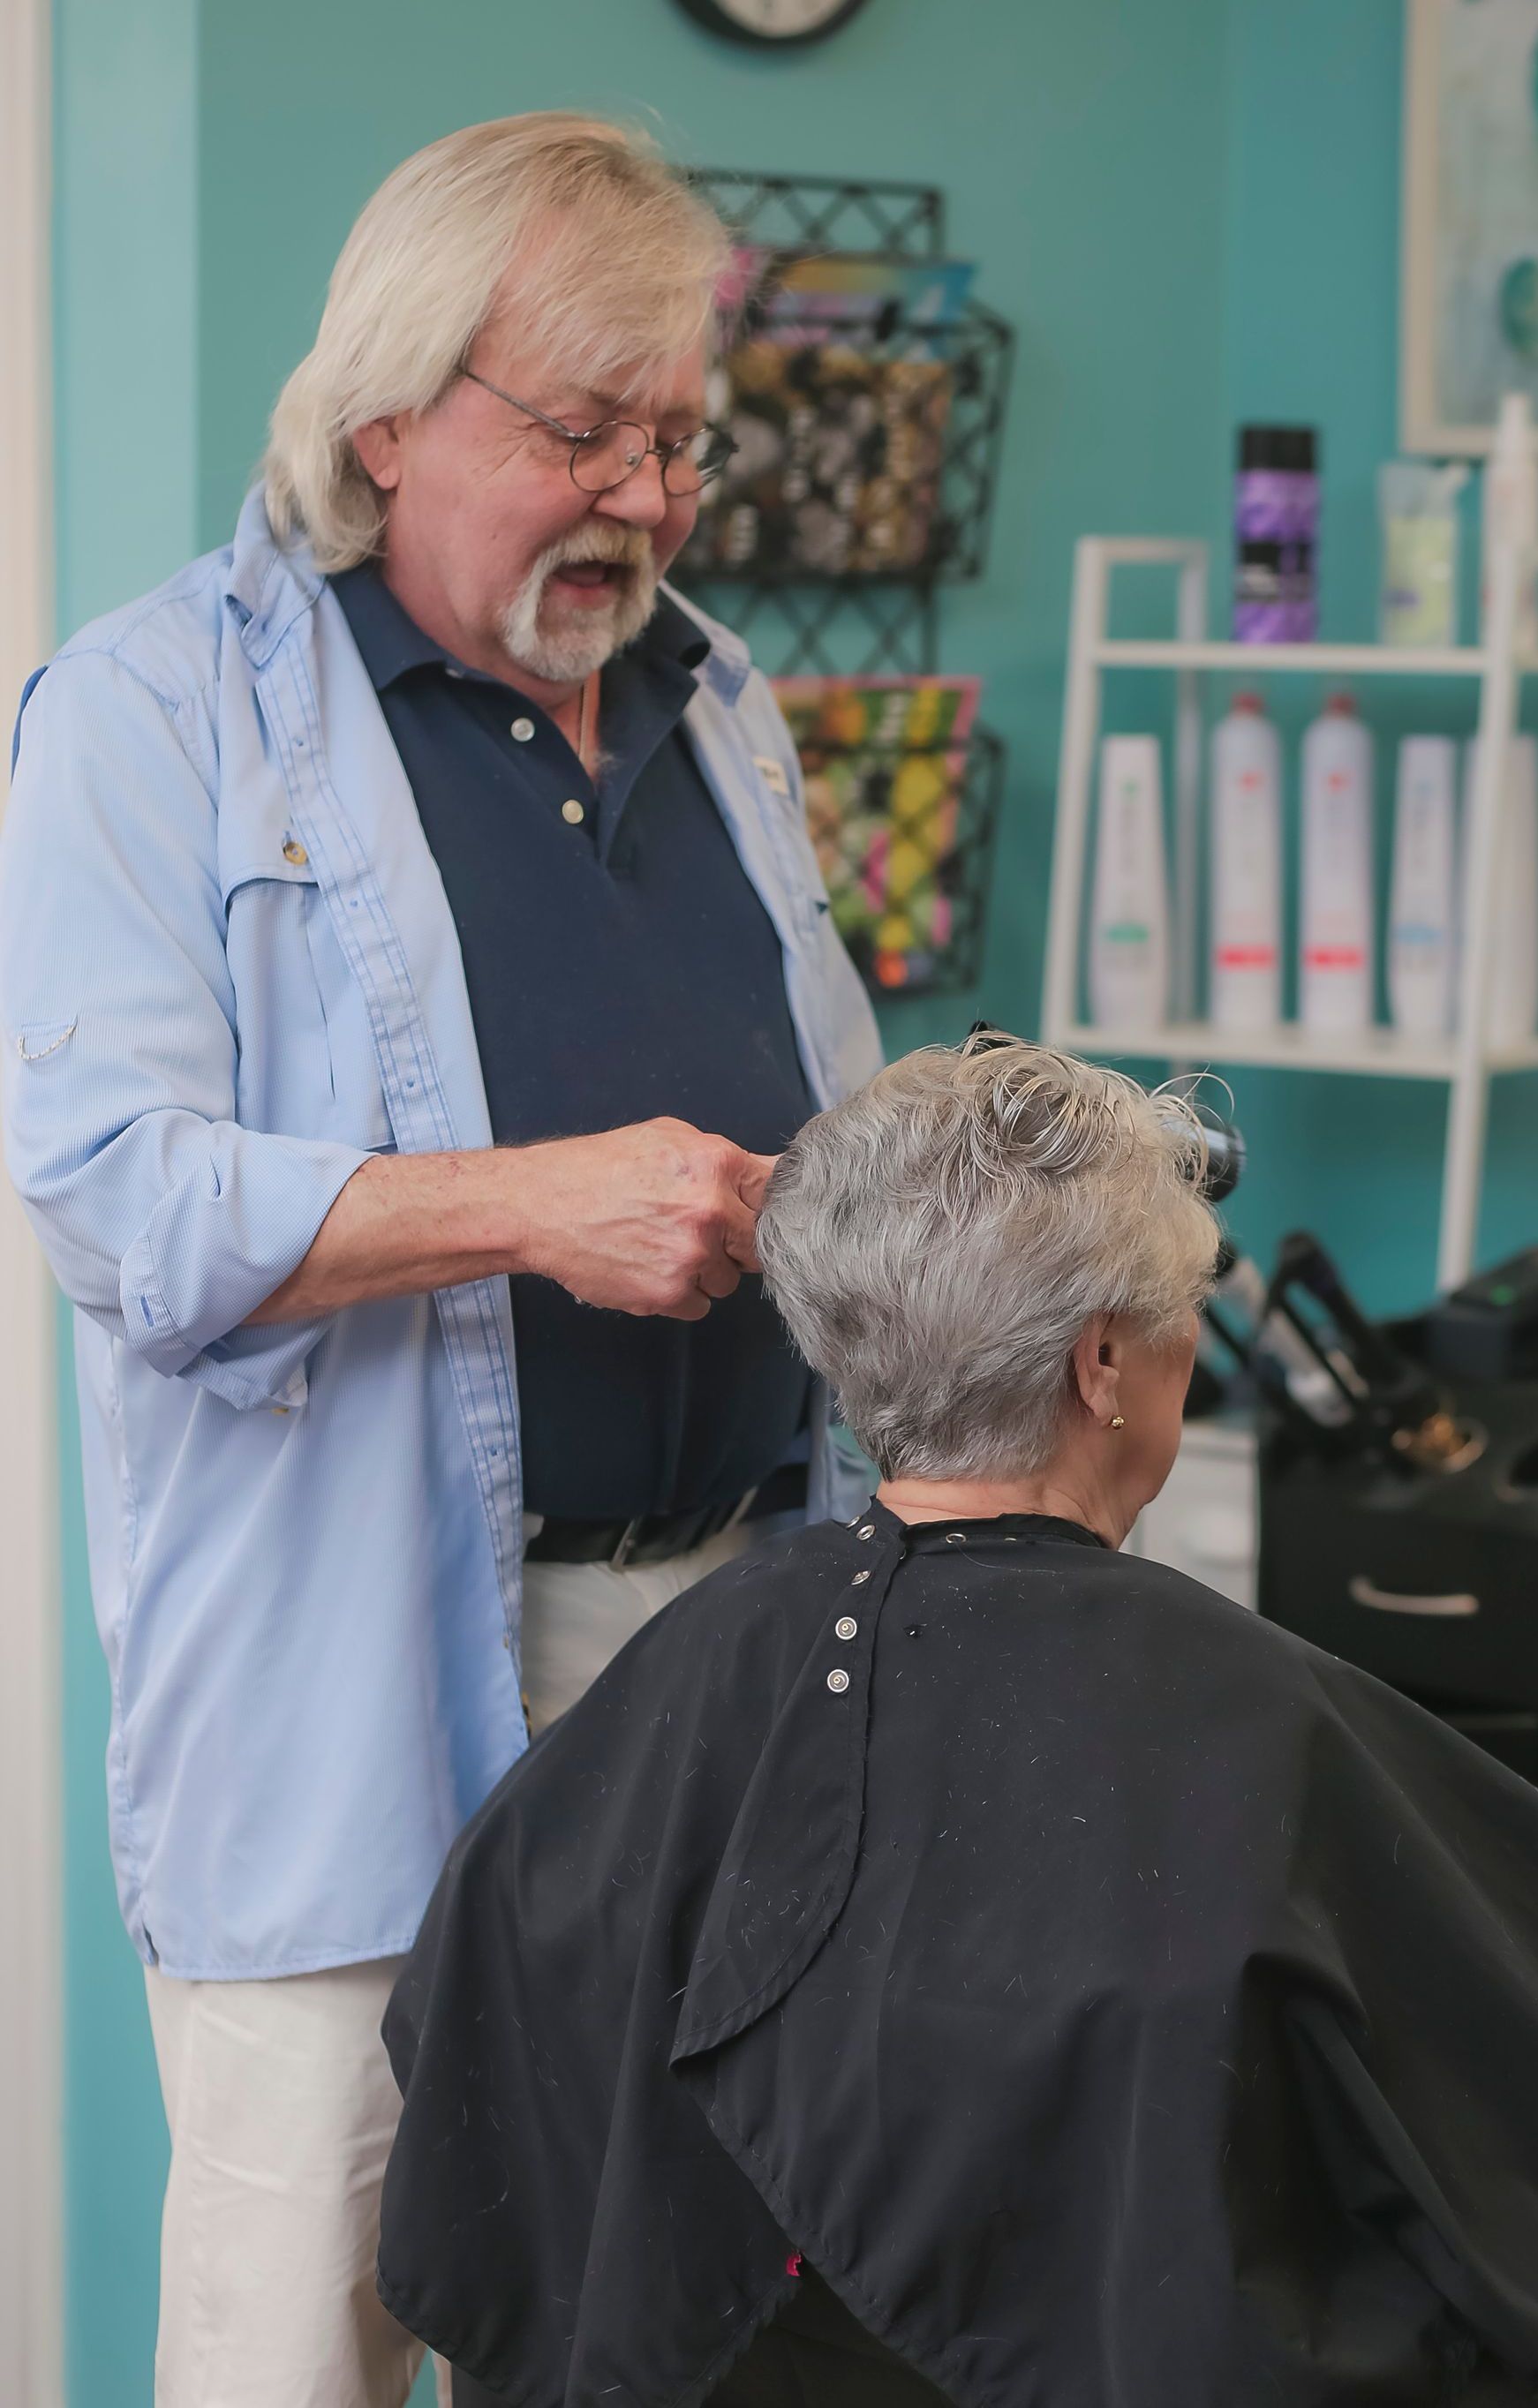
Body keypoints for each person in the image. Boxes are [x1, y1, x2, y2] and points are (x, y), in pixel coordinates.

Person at [0, 113, 878, 2408]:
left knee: (673, 2348)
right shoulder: (151, 715)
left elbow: (835, 1121)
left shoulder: (726, 709)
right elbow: (113, 1192)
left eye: (678, 438)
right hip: (353, 1704)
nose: (650, 498)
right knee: (310, 2348)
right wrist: (532, 1203)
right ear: (387, 420)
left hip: (726, 1678)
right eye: (583, 432)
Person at [380, 1037, 1538, 2408]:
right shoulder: (1258, 1725)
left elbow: (476, 2062)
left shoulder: (686, 1676)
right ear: (1106, 1364)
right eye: (1179, 1315)